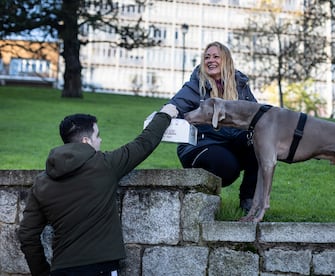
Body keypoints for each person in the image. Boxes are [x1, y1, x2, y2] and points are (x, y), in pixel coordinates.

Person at [18, 104, 178, 276]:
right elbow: (144, 143)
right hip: (101, 268)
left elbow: (27, 235)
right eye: (97, 135)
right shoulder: (104, 165)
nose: (100, 140)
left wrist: (42, 273)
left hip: (61, 269)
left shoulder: (41, 182)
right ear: (86, 141)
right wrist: (165, 114)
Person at [168, 41, 258, 213]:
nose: (211, 60)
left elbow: (255, 113)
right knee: (226, 167)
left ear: (226, 60)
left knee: (259, 146)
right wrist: (165, 113)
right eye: (207, 57)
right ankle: (202, 198)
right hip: (201, 144)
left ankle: (249, 199)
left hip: (231, 143)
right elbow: (176, 104)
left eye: (216, 56)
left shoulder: (241, 86)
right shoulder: (196, 85)